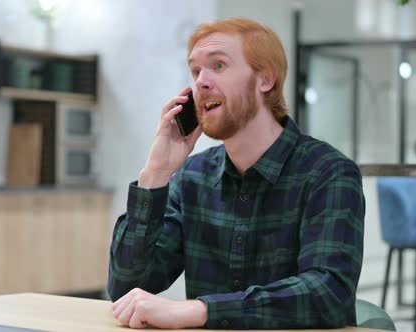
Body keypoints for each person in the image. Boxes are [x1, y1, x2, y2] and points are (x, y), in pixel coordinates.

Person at [107, 17, 365, 330]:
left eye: (218, 65)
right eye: (196, 69)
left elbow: (327, 293)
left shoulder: (328, 173)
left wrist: (201, 310)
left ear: (265, 79)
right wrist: (155, 175)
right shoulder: (193, 176)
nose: (201, 81)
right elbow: (127, 285)